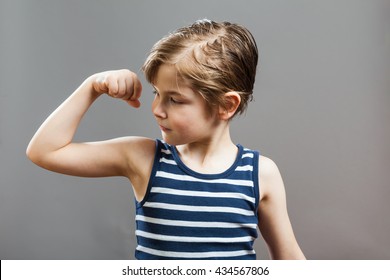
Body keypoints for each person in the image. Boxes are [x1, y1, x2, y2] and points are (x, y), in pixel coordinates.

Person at [26, 19, 305, 260]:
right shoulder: (143, 158)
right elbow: (45, 151)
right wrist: (92, 87)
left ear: (226, 105)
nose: (157, 109)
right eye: (156, 93)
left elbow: (289, 259)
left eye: (174, 100)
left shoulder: (260, 173)